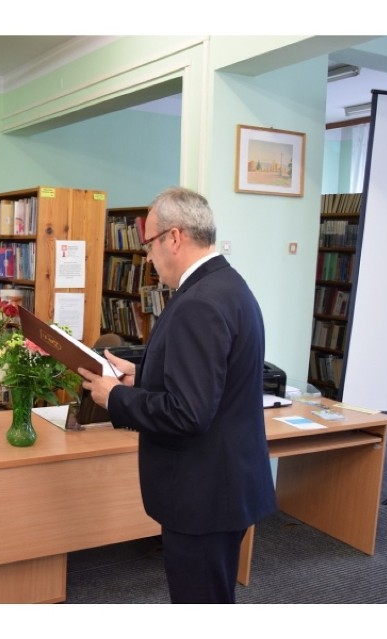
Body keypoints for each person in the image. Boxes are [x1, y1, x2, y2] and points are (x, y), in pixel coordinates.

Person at [79, 187, 277, 604]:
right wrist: (144, 374)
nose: (147, 257)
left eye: (149, 244)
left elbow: (188, 413)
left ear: (174, 237)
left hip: (204, 492)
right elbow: (208, 383)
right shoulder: (228, 284)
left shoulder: (198, 303)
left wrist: (114, 396)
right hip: (223, 484)